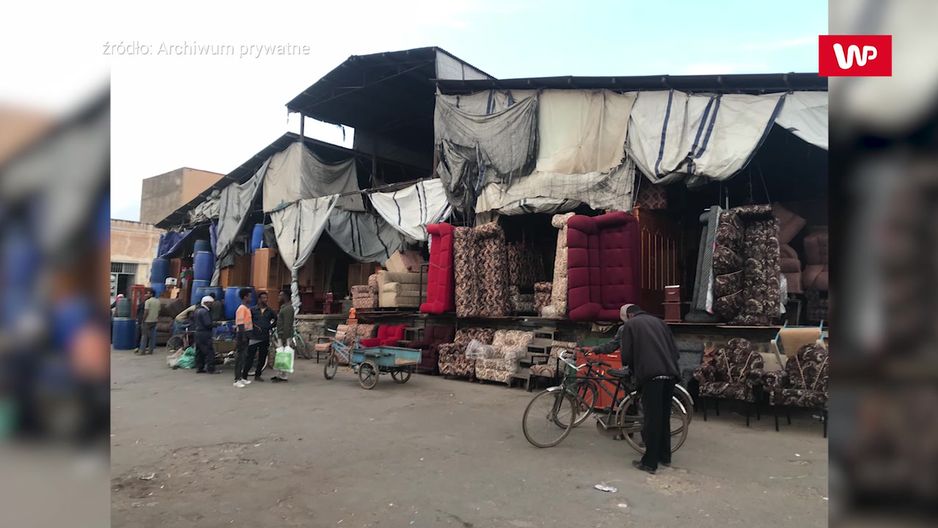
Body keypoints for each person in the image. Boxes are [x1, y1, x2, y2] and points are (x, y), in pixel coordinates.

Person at [585, 303, 680, 474]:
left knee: (651, 419)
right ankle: (665, 457)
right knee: (663, 417)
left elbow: (627, 354)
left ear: (628, 315)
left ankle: (649, 463)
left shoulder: (631, 325)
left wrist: (631, 370)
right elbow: (675, 351)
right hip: (670, 375)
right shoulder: (660, 322)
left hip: (651, 376)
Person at [249, 292, 277, 382]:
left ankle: (258, 375)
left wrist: (270, 327)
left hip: (264, 337)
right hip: (254, 336)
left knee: (262, 357)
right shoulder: (253, 310)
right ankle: (245, 374)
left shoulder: (270, 310)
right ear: (259, 299)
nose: (265, 300)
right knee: (250, 356)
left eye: (266, 298)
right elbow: (248, 320)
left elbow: (276, 319)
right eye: (263, 298)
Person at [272, 290, 295, 383]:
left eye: (280, 295)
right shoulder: (284, 307)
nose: (279, 297)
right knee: (280, 354)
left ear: (285, 296)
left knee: (285, 355)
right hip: (281, 333)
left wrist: (285, 337)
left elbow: (287, 324)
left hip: (285, 334)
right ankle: (279, 373)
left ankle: (284, 375)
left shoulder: (288, 308)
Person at [233, 288, 254, 388]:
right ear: (245, 297)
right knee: (240, 358)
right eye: (249, 296)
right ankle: (237, 379)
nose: (251, 298)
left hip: (247, 334)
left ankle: (241, 377)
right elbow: (240, 324)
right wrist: (244, 336)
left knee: (244, 357)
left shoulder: (247, 308)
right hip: (242, 335)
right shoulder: (241, 308)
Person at [192, 296, 218, 374]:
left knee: (199, 351)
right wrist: (216, 324)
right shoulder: (205, 312)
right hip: (205, 333)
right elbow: (208, 324)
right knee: (209, 351)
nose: (212, 305)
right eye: (211, 303)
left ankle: (199, 367)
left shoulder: (197, 310)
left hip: (197, 333)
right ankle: (211, 369)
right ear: (206, 303)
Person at [136, 288, 161, 355]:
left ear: (151, 294)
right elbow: (159, 311)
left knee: (144, 336)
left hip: (147, 321)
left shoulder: (148, 301)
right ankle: (150, 350)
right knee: (152, 336)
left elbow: (146, 311)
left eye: (148, 293)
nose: (146, 294)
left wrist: (143, 320)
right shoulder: (158, 301)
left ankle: (142, 351)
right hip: (154, 320)